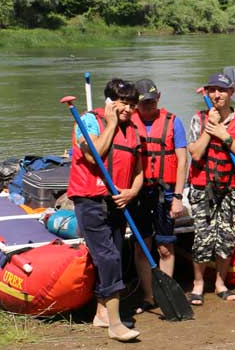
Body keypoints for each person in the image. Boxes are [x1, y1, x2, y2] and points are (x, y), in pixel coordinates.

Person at [67, 79, 142, 342]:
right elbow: (94, 154)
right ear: (110, 102)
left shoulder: (132, 129)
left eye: (132, 105)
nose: (128, 110)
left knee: (116, 257)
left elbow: (139, 171)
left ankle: (101, 314)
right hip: (90, 201)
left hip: (117, 202)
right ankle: (115, 323)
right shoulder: (87, 122)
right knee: (108, 258)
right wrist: (110, 124)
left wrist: (131, 191)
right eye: (123, 103)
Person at [187, 73, 235, 305]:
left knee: (226, 238)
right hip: (202, 188)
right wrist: (210, 129)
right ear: (207, 93)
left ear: (231, 93)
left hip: (231, 189)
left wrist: (226, 137)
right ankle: (198, 284)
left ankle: (220, 283)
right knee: (202, 239)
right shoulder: (198, 119)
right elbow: (195, 153)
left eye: (222, 90)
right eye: (212, 90)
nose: (217, 95)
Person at [130, 79, 188, 315]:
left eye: (152, 101)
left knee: (165, 247)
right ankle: (149, 296)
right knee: (143, 246)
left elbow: (182, 160)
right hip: (139, 192)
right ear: (136, 103)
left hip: (165, 192)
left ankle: (165, 292)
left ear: (159, 98)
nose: (148, 107)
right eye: (143, 103)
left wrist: (178, 197)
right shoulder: (128, 122)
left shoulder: (173, 122)